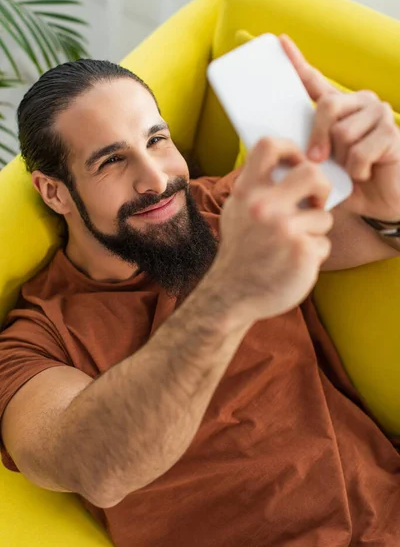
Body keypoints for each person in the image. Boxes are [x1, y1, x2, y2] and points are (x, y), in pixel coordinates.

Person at [1, 35, 400, 547]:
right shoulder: (34, 340)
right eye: (111, 162)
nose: (156, 179)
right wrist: (230, 293)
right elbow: (94, 467)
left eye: (156, 140)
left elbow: (375, 229)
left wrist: (389, 195)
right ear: (54, 191)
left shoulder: (231, 207)